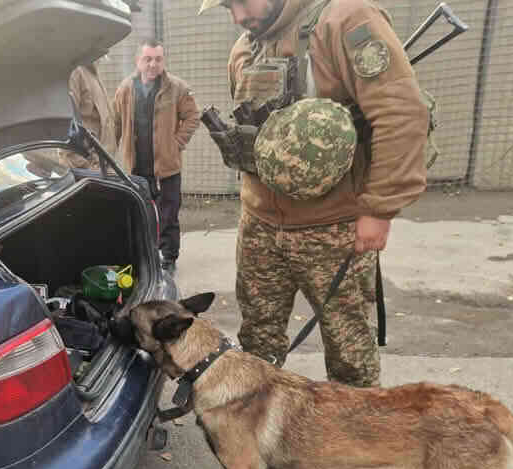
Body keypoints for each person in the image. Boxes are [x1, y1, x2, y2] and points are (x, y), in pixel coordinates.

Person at [198, 0, 428, 387]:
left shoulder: (346, 20)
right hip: (260, 226)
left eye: (241, 1)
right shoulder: (244, 47)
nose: (237, 16)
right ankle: (259, 433)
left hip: (333, 228)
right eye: (227, 6)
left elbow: (401, 113)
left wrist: (379, 208)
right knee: (257, 345)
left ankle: (356, 440)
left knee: (349, 353)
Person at [114, 40, 201, 274]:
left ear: (163, 61)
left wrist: (176, 143)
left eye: (158, 59)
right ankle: (145, 256)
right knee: (139, 214)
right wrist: (108, 153)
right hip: (137, 167)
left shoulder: (177, 88)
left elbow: (193, 116)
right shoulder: (125, 89)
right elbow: (115, 123)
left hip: (166, 167)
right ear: (138, 61)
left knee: (168, 215)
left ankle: (169, 258)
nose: (153, 64)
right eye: (148, 59)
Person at [61, 61, 117, 171]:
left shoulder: (91, 72)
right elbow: (65, 130)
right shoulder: (75, 72)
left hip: (104, 169)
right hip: (90, 172)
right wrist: (87, 167)